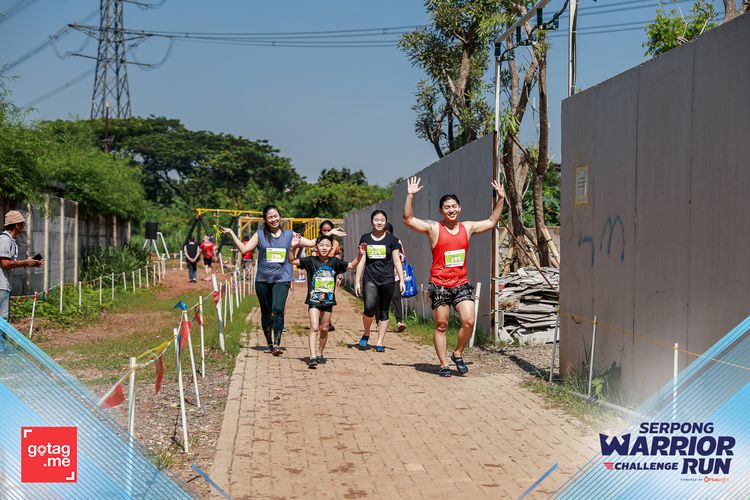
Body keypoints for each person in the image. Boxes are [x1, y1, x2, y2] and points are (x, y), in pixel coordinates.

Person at [403, 176, 505, 377]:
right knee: (441, 325)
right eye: (447, 207)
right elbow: (408, 220)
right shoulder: (434, 228)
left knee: (469, 320)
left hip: (461, 283)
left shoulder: (467, 227)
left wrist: (501, 198)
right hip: (439, 284)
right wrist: (410, 196)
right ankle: (443, 364)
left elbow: (492, 221)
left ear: (460, 208)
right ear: (441, 211)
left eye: (454, 206)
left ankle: (457, 353)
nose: (451, 210)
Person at [222, 205, 345, 355]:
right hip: (262, 280)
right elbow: (244, 249)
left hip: (282, 279)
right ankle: (269, 342)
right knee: (266, 312)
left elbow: (312, 243)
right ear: (265, 220)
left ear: (279, 216)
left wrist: (329, 233)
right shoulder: (260, 234)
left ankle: (277, 344)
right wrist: (231, 233)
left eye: (276, 216)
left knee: (278, 309)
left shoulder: (289, 235)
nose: (274, 219)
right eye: (270, 217)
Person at [289, 233, 366, 368]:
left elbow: (351, 265)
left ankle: (320, 353)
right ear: (316, 247)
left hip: (328, 301)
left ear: (331, 248)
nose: (324, 248)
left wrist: (360, 254)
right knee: (314, 327)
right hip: (313, 300)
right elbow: (292, 261)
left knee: (324, 328)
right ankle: (312, 356)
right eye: (321, 245)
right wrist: (292, 248)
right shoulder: (310, 261)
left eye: (327, 245)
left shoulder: (335, 262)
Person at [354, 210, 405, 352]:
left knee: (384, 310)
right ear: (371, 222)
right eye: (376, 219)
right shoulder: (365, 238)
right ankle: (366, 333)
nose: (379, 222)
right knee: (369, 307)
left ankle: (379, 341)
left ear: (386, 222)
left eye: (382, 219)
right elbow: (362, 260)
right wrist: (357, 281)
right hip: (370, 278)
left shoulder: (392, 240)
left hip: (387, 279)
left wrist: (401, 280)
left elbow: (397, 260)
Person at [0, 210, 43, 323]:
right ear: (17, 225)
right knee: (3, 320)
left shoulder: (11, 241)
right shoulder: (5, 240)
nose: (24, 227)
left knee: (4, 319)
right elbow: (5, 263)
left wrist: (28, 262)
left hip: (5, 285)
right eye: (22, 224)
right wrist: (25, 262)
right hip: (1, 285)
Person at [312, 220, 343, 332]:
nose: (326, 232)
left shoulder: (335, 244)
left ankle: (327, 321)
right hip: (319, 274)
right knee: (319, 297)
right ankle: (320, 319)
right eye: (324, 230)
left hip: (331, 275)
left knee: (329, 297)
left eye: (328, 230)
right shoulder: (316, 242)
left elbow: (338, 260)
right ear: (320, 230)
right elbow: (313, 258)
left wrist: (339, 275)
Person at [384, 222, 406, 333]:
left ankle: (399, 321)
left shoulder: (397, 241)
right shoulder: (377, 242)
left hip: (395, 275)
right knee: (382, 299)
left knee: (396, 297)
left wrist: (397, 257)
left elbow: (402, 256)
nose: (386, 234)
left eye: (388, 232)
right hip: (381, 276)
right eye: (385, 231)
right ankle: (381, 321)